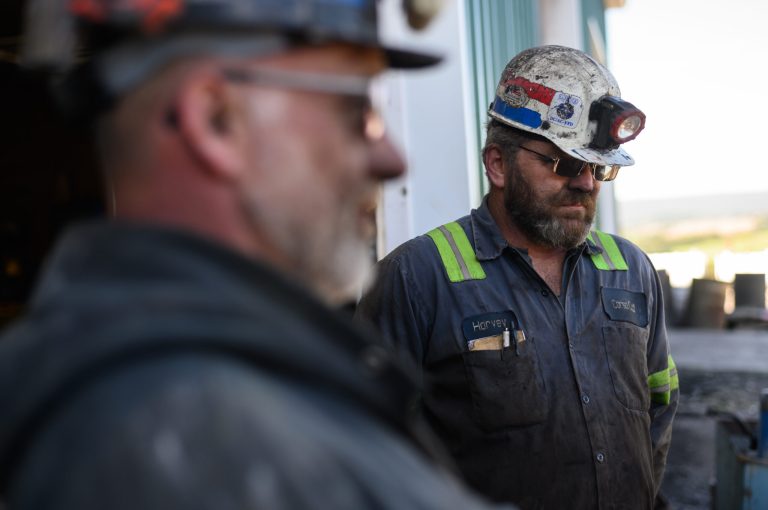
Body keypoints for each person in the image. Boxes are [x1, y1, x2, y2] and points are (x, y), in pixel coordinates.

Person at [0, 1, 513, 508]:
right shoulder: (180, 434)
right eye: (358, 110)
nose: (392, 158)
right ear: (217, 119)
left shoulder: (224, 386)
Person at [356, 45, 679, 510]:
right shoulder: (415, 278)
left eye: (598, 167)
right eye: (564, 164)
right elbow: (372, 449)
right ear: (498, 164)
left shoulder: (631, 271)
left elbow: (660, 403)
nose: (586, 184)